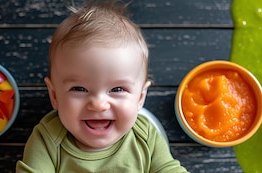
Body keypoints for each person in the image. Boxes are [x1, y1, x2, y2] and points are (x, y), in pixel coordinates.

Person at [16, 1, 188, 172]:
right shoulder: (48, 139)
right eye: (79, 89)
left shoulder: (144, 136)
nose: (98, 104)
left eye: (118, 89)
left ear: (140, 98)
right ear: (54, 96)